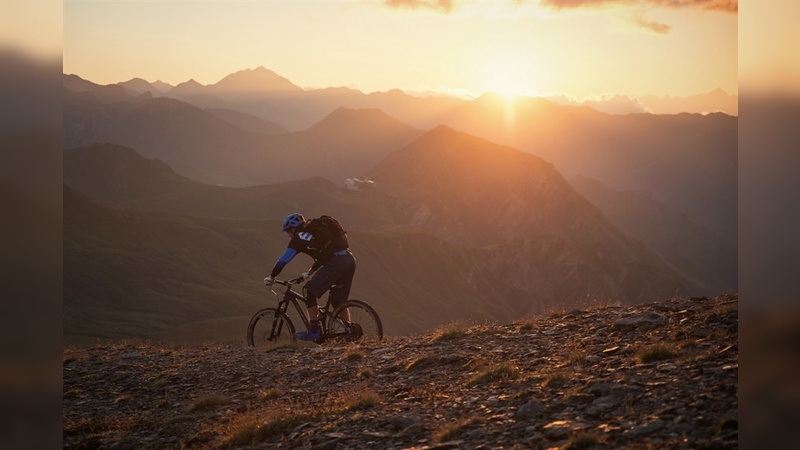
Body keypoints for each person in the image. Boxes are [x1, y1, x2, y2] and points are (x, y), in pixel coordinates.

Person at [264, 213, 356, 342]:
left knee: (308, 291)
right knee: (338, 301)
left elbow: (284, 260)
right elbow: (324, 255)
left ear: (293, 228)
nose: (289, 235)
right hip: (349, 259)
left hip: (337, 262)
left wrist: (272, 276)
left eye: (288, 232)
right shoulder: (314, 234)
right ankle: (350, 332)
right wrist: (309, 272)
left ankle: (314, 332)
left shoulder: (298, 239)